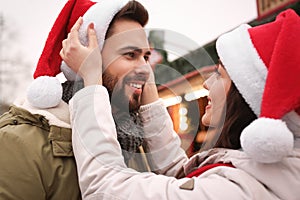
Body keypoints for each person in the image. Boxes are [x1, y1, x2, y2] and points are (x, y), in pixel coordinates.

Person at [63, 8, 300, 199]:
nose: (207, 84)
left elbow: (106, 188)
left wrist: (91, 80)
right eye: (131, 55)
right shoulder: (273, 171)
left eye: (219, 74)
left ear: (246, 95)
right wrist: (150, 97)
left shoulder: (242, 189)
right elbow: (180, 178)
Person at [0, 0, 152, 199]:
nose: (146, 70)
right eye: (130, 54)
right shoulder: (19, 143)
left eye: (146, 57)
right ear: (87, 59)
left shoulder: (134, 140)